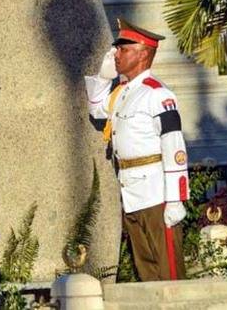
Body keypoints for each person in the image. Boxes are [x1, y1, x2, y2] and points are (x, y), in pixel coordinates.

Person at [85, 18, 190, 281]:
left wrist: (176, 198)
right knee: (146, 273)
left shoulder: (157, 94)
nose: (116, 54)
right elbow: (96, 109)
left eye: (123, 49)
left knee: (169, 274)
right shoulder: (122, 92)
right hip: (131, 192)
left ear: (143, 52)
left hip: (157, 194)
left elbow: (174, 145)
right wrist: (102, 77)